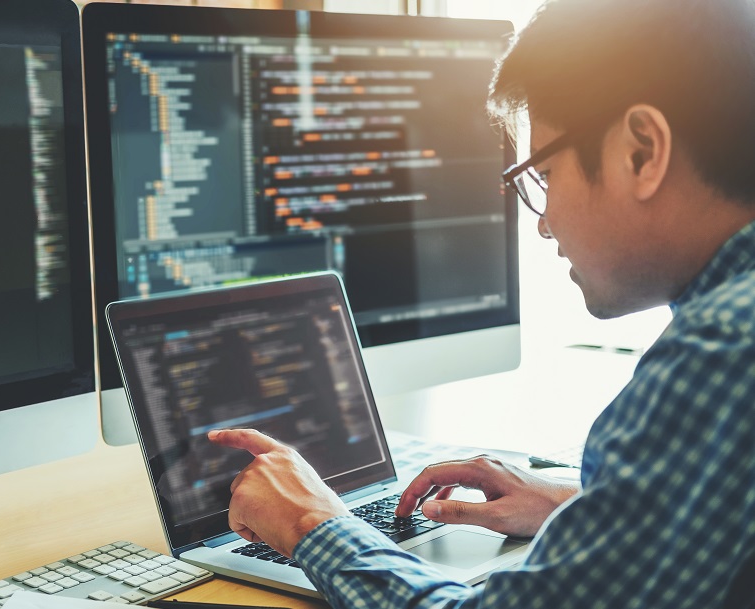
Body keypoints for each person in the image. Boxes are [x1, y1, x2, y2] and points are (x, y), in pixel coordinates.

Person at [207, 0, 755, 606]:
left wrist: (312, 524)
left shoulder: (721, 352)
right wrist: (585, 511)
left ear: (642, 151)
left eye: (543, 175)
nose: (544, 225)